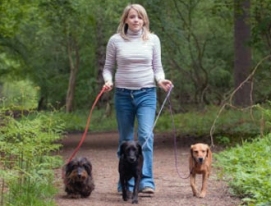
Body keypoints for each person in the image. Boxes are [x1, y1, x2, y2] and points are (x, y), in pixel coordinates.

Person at [102, 3, 173, 194]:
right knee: (125, 140)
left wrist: (161, 80)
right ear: (125, 19)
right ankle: (125, 183)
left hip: (147, 94)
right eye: (132, 17)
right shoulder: (115, 40)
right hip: (123, 95)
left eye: (140, 17)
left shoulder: (152, 40)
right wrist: (108, 81)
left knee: (145, 136)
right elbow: (108, 67)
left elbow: (157, 67)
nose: (136, 20)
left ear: (144, 20)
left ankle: (146, 181)